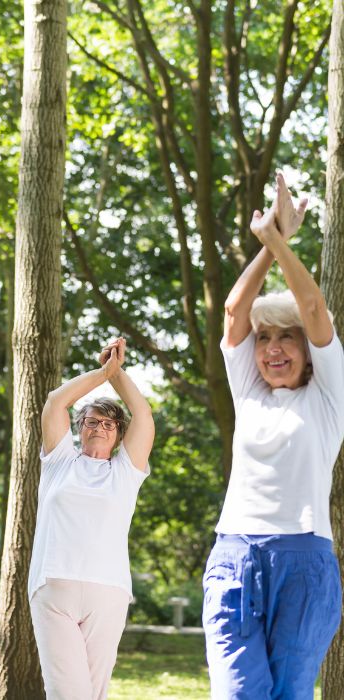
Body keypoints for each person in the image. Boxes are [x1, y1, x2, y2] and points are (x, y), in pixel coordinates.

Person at [202, 173, 344, 699]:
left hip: (304, 560)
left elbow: (314, 310)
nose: (273, 348)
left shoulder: (328, 396)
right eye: (265, 339)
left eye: (287, 338)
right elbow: (236, 311)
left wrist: (280, 240)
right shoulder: (248, 391)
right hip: (236, 553)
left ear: (308, 352)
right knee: (239, 693)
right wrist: (269, 241)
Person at [28, 337, 154, 700]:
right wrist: (103, 373)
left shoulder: (126, 472)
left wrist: (119, 375)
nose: (99, 427)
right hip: (54, 586)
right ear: (79, 427)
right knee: (68, 693)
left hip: (108, 591)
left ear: (118, 436)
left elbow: (143, 415)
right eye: (91, 421)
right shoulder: (59, 462)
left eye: (110, 424)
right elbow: (56, 402)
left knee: (93, 694)